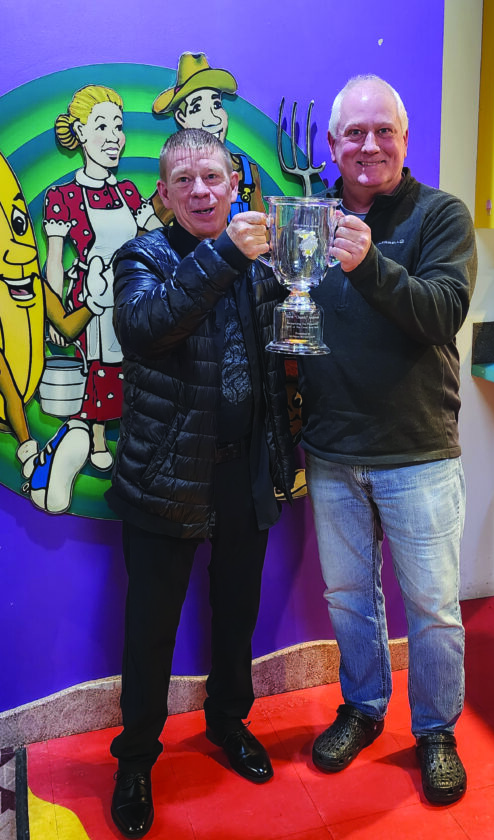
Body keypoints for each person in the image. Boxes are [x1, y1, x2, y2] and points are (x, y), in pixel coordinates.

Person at [105, 128, 294, 838]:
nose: (200, 191)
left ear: (234, 184)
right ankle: (135, 758)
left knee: (236, 613)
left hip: (245, 469)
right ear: (163, 194)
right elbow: (145, 326)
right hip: (166, 474)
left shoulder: (258, 256)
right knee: (150, 630)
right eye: (183, 180)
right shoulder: (142, 257)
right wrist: (226, 254)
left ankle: (228, 722)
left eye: (212, 176)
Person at [298, 75, 477, 806]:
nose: (369, 145)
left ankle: (436, 731)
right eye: (354, 133)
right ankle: (364, 707)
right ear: (332, 144)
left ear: (405, 139)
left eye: (383, 131)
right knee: (348, 597)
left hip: (418, 450)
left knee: (433, 607)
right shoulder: (309, 217)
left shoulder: (441, 215)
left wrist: (369, 263)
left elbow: (442, 313)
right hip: (332, 450)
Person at [40, 85, 160, 512]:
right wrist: (55, 316)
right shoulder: (62, 197)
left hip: (130, 294)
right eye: (102, 126)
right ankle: (92, 436)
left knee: (130, 363)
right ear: (80, 133)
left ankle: (127, 434)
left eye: (118, 127)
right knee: (98, 367)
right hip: (90, 296)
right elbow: (55, 263)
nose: (114, 137)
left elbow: (156, 234)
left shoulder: (128, 191)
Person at [151, 52, 265, 223]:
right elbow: (149, 223)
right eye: (197, 108)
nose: (213, 119)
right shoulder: (175, 175)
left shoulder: (246, 170)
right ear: (181, 118)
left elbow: (262, 227)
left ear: (233, 183)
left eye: (216, 105)